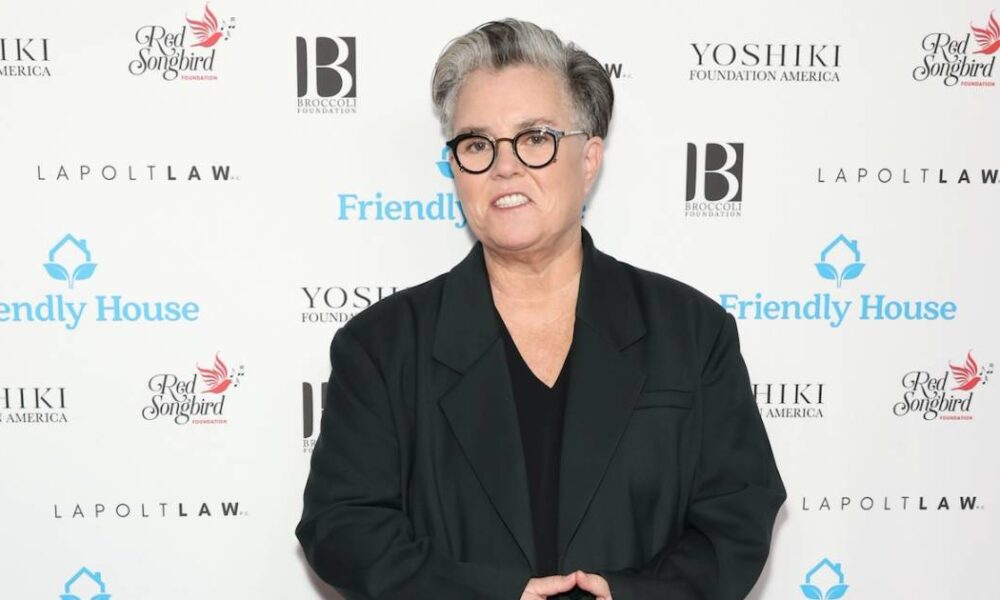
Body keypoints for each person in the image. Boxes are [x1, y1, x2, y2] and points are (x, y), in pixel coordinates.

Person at [296, 18, 786, 600]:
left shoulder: (691, 332)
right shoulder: (381, 347)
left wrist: (628, 596)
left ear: (589, 158)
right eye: (477, 144)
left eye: (534, 138)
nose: (504, 166)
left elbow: (736, 517)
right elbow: (342, 526)